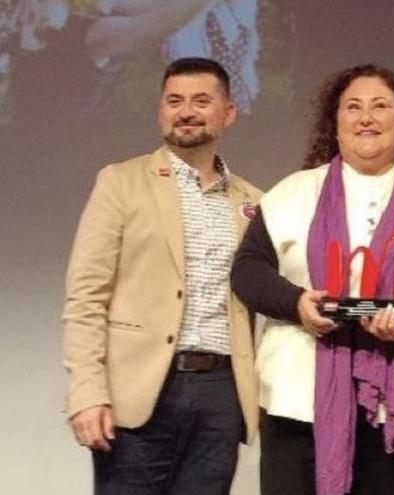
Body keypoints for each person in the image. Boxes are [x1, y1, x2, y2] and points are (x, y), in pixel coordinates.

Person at [230, 63, 394, 495]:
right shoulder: (292, 192)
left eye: (380, 106)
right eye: (352, 107)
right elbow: (247, 269)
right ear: (334, 125)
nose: (366, 118)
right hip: (298, 397)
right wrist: (297, 302)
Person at [62, 57, 262, 494]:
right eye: (174, 101)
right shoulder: (121, 182)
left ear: (227, 113)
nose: (186, 111)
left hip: (220, 391)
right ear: (161, 110)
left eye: (201, 101)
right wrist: (88, 391)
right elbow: (86, 296)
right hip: (140, 388)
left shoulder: (253, 201)